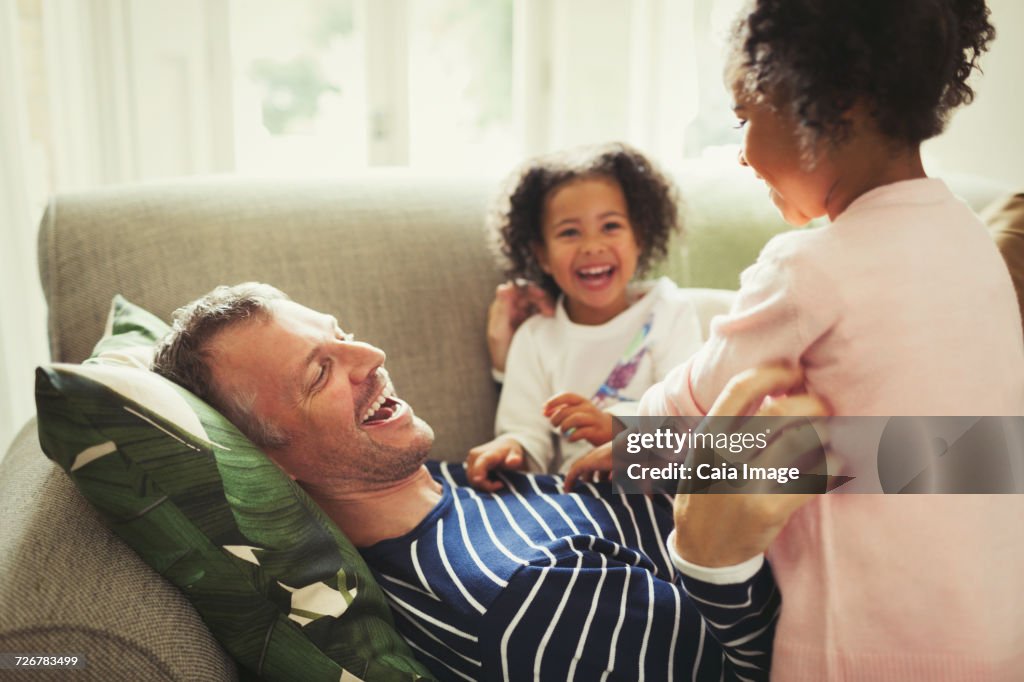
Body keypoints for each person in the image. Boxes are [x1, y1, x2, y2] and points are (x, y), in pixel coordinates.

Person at [567, 1, 1024, 679]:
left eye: (745, 117)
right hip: (995, 632)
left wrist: (632, 434)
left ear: (833, 104)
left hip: (861, 646)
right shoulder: (969, 242)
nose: (743, 154)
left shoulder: (807, 266)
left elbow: (698, 398)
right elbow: (927, 445)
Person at [152, 282, 824, 682]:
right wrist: (716, 564)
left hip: (825, 493)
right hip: (850, 574)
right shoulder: (528, 598)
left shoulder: (459, 480)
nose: (372, 357)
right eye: (320, 373)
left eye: (343, 335)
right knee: (903, 440)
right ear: (266, 461)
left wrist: (643, 446)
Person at [468, 143, 705, 489]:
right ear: (542, 255)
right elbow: (524, 430)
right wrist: (510, 448)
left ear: (639, 237)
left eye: (610, 226)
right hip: (578, 501)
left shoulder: (669, 312)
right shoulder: (536, 336)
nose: (592, 246)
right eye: (569, 232)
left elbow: (691, 420)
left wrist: (615, 427)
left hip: (659, 495)